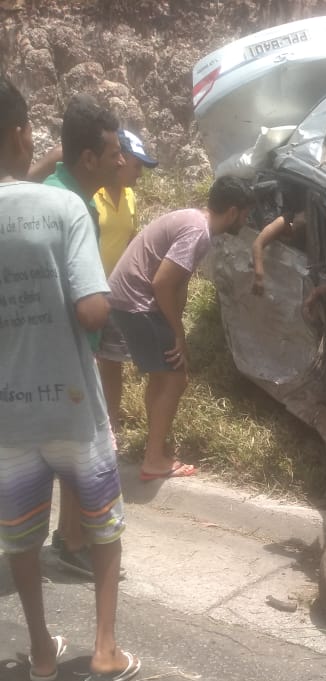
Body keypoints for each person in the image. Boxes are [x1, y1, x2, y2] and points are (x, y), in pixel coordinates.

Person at [0, 75, 140, 681]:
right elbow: (91, 312)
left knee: (22, 535)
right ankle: (105, 651)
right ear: (24, 133)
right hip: (74, 407)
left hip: (9, 417)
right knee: (103, 526)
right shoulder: (64, 208)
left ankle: (39, 651)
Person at [109, 175, 254, 480]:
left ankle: (155, 448)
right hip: (138, 302)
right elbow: (162, 283)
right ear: (231, 212)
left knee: (163, 376)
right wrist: (178, 333)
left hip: (126, 299)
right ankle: (153, 459)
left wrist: (176, 321)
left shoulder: (195, 221)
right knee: (176, 379)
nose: (246, 219)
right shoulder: (198, 233)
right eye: (244, 213)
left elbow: (178, 284)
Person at [43, 93, 125, 578]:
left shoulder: (59, 189)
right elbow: (86, 303)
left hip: (64, 350)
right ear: (89, 158)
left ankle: (67, 536)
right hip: (66, 350)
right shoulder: (72, 206)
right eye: (114, 152)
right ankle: (71, 543)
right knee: (77, 450)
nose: (121, 159)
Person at [94, 128, 158, 428]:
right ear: (119, 161)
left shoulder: (131, 197)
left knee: (111, 363)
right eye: (137, 166)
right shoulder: (92, 195)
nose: (139, 174)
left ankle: (111, 424)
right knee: (89, 362)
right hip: (87, 292)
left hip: (115, 294)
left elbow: (132, 241)